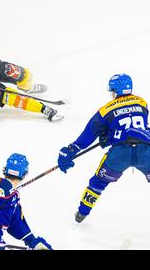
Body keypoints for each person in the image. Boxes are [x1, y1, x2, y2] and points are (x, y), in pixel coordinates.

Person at [58, 73, 150, 223]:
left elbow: (89, 133)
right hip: (147, 151)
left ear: (115, 90)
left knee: (98, 182)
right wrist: (112, 134)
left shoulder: (105, 110)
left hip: (119, 154)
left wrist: (72, 149)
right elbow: (135, 126)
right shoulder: (142, 102)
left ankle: (82, 212)